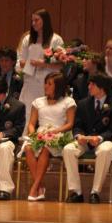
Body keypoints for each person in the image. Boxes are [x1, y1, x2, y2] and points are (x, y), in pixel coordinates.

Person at [64, 73, 112, 204]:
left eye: (92, 84)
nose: (89, 86)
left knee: (106, 151)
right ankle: (76, 192)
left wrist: (100, 138)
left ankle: (95, 192)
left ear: (102, 88)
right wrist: (78, 135)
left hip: (104, 141)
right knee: (68, 149)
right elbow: (77, 125)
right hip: (85, 140)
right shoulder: (83, 103)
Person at [24, 72, 76, 201]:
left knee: (46, 148)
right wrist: (34, 134)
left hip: (59, 134)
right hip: (40, 133)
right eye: (45, 83)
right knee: (28, 148)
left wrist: (54, 132)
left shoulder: (68, 101)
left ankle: (34, 187)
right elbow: (31, 124)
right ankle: (40, 186)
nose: (46, 86)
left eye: (49, 84)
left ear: (58, 86)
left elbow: (70, 124)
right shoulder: (38, 102)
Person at [18, 9, 64, 132]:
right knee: (27, 114)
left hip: (48, 84)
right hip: (30, 83)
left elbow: (61, 65)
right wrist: (31, 62)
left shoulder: (56, 40)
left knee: (46, 115)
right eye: (32, 20)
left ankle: (47, 140)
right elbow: (21, 62)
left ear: (45, 21)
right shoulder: (28, 39)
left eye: (36, 20)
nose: (33, 23)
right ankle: (25, 141)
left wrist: (43, 64)